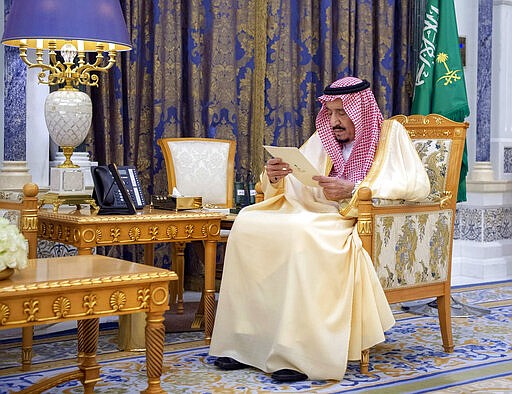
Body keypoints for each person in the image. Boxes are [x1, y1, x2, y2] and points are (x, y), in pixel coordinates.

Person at [209, 76, 430, 382]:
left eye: (343, 113)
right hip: (317, 214)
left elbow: (414, 185)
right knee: (249, 222)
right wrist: (275, 177)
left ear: (361, 110)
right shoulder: (323, 138)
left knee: (302, 232)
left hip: (353, 220)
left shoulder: (390, 135)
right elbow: (301, 182)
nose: (335, 121)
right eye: (331, 113)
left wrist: (353, 189)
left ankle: (298, 355)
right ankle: (244, 344)